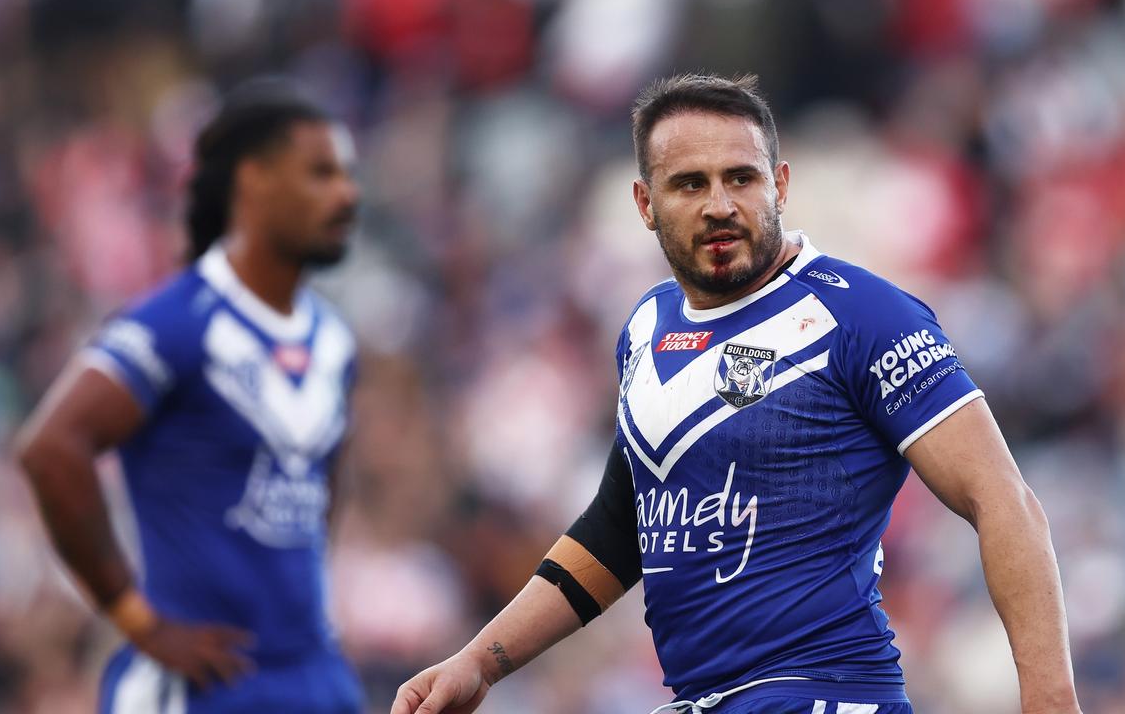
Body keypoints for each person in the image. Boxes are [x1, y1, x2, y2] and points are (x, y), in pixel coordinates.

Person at [390, 73, 1082, 714]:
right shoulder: (645, 327)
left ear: (780, 184)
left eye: (741, 178)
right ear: (644, 203)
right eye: (690, 184)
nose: (721, 205)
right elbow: (621, 526)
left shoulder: (862, 315)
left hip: (823, 695)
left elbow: (1004, 501)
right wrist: (479, 663)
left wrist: (1050, 702)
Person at [15, 80, 363, 713]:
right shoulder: (178, 322)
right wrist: (136, 619)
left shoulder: (334, 341)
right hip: (207, 682)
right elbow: (50, 448)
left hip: (314, 674)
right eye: (320, 173)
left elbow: (322, 481)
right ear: (254, 181)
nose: (346, 194)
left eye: (346, 174)